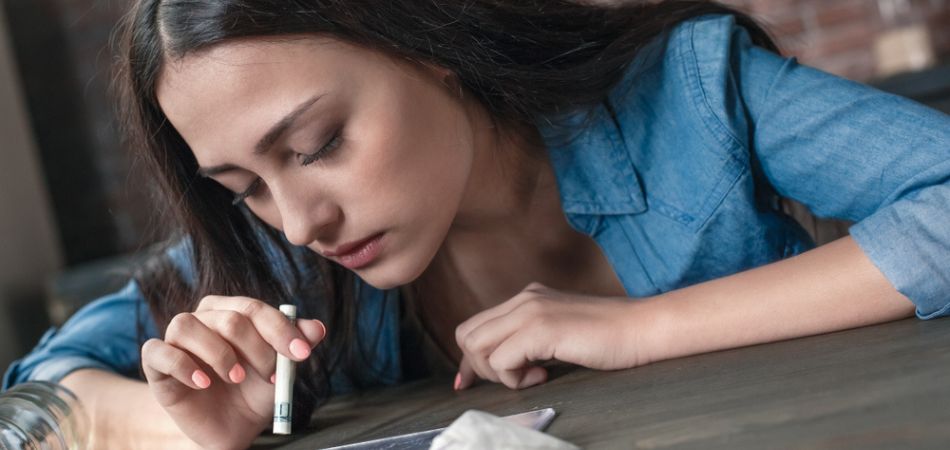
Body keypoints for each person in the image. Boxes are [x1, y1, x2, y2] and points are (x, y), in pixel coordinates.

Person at [4, 0, 950, 448]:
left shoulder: (691, 94)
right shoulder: (265, 255)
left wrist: (640, 328)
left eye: (320, 142)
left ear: (431, 47)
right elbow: (30, 397)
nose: (298, 222)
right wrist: (188, 434)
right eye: (240, 184)